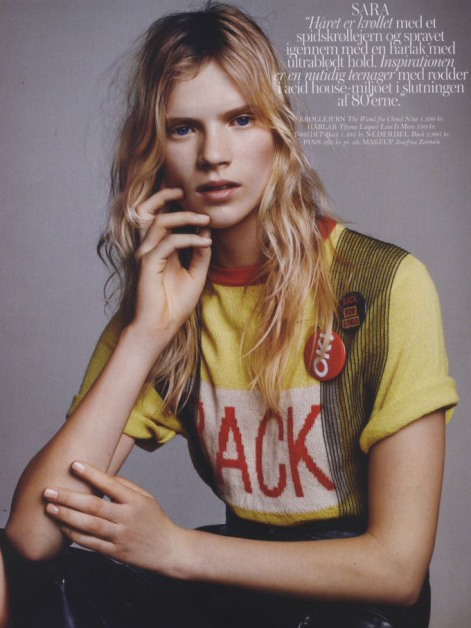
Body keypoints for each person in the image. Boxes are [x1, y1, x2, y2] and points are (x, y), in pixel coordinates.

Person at [0, 3, 458, 627]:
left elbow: (398, 570)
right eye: (183, 128)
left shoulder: (386, 285)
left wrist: (178, 549)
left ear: (278, 132)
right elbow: (31, 537)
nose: (214, 154)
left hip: (353, 604)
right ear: (154, 149)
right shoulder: (167, 300)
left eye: (241, 119)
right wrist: (148, 332)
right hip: (234, 584)